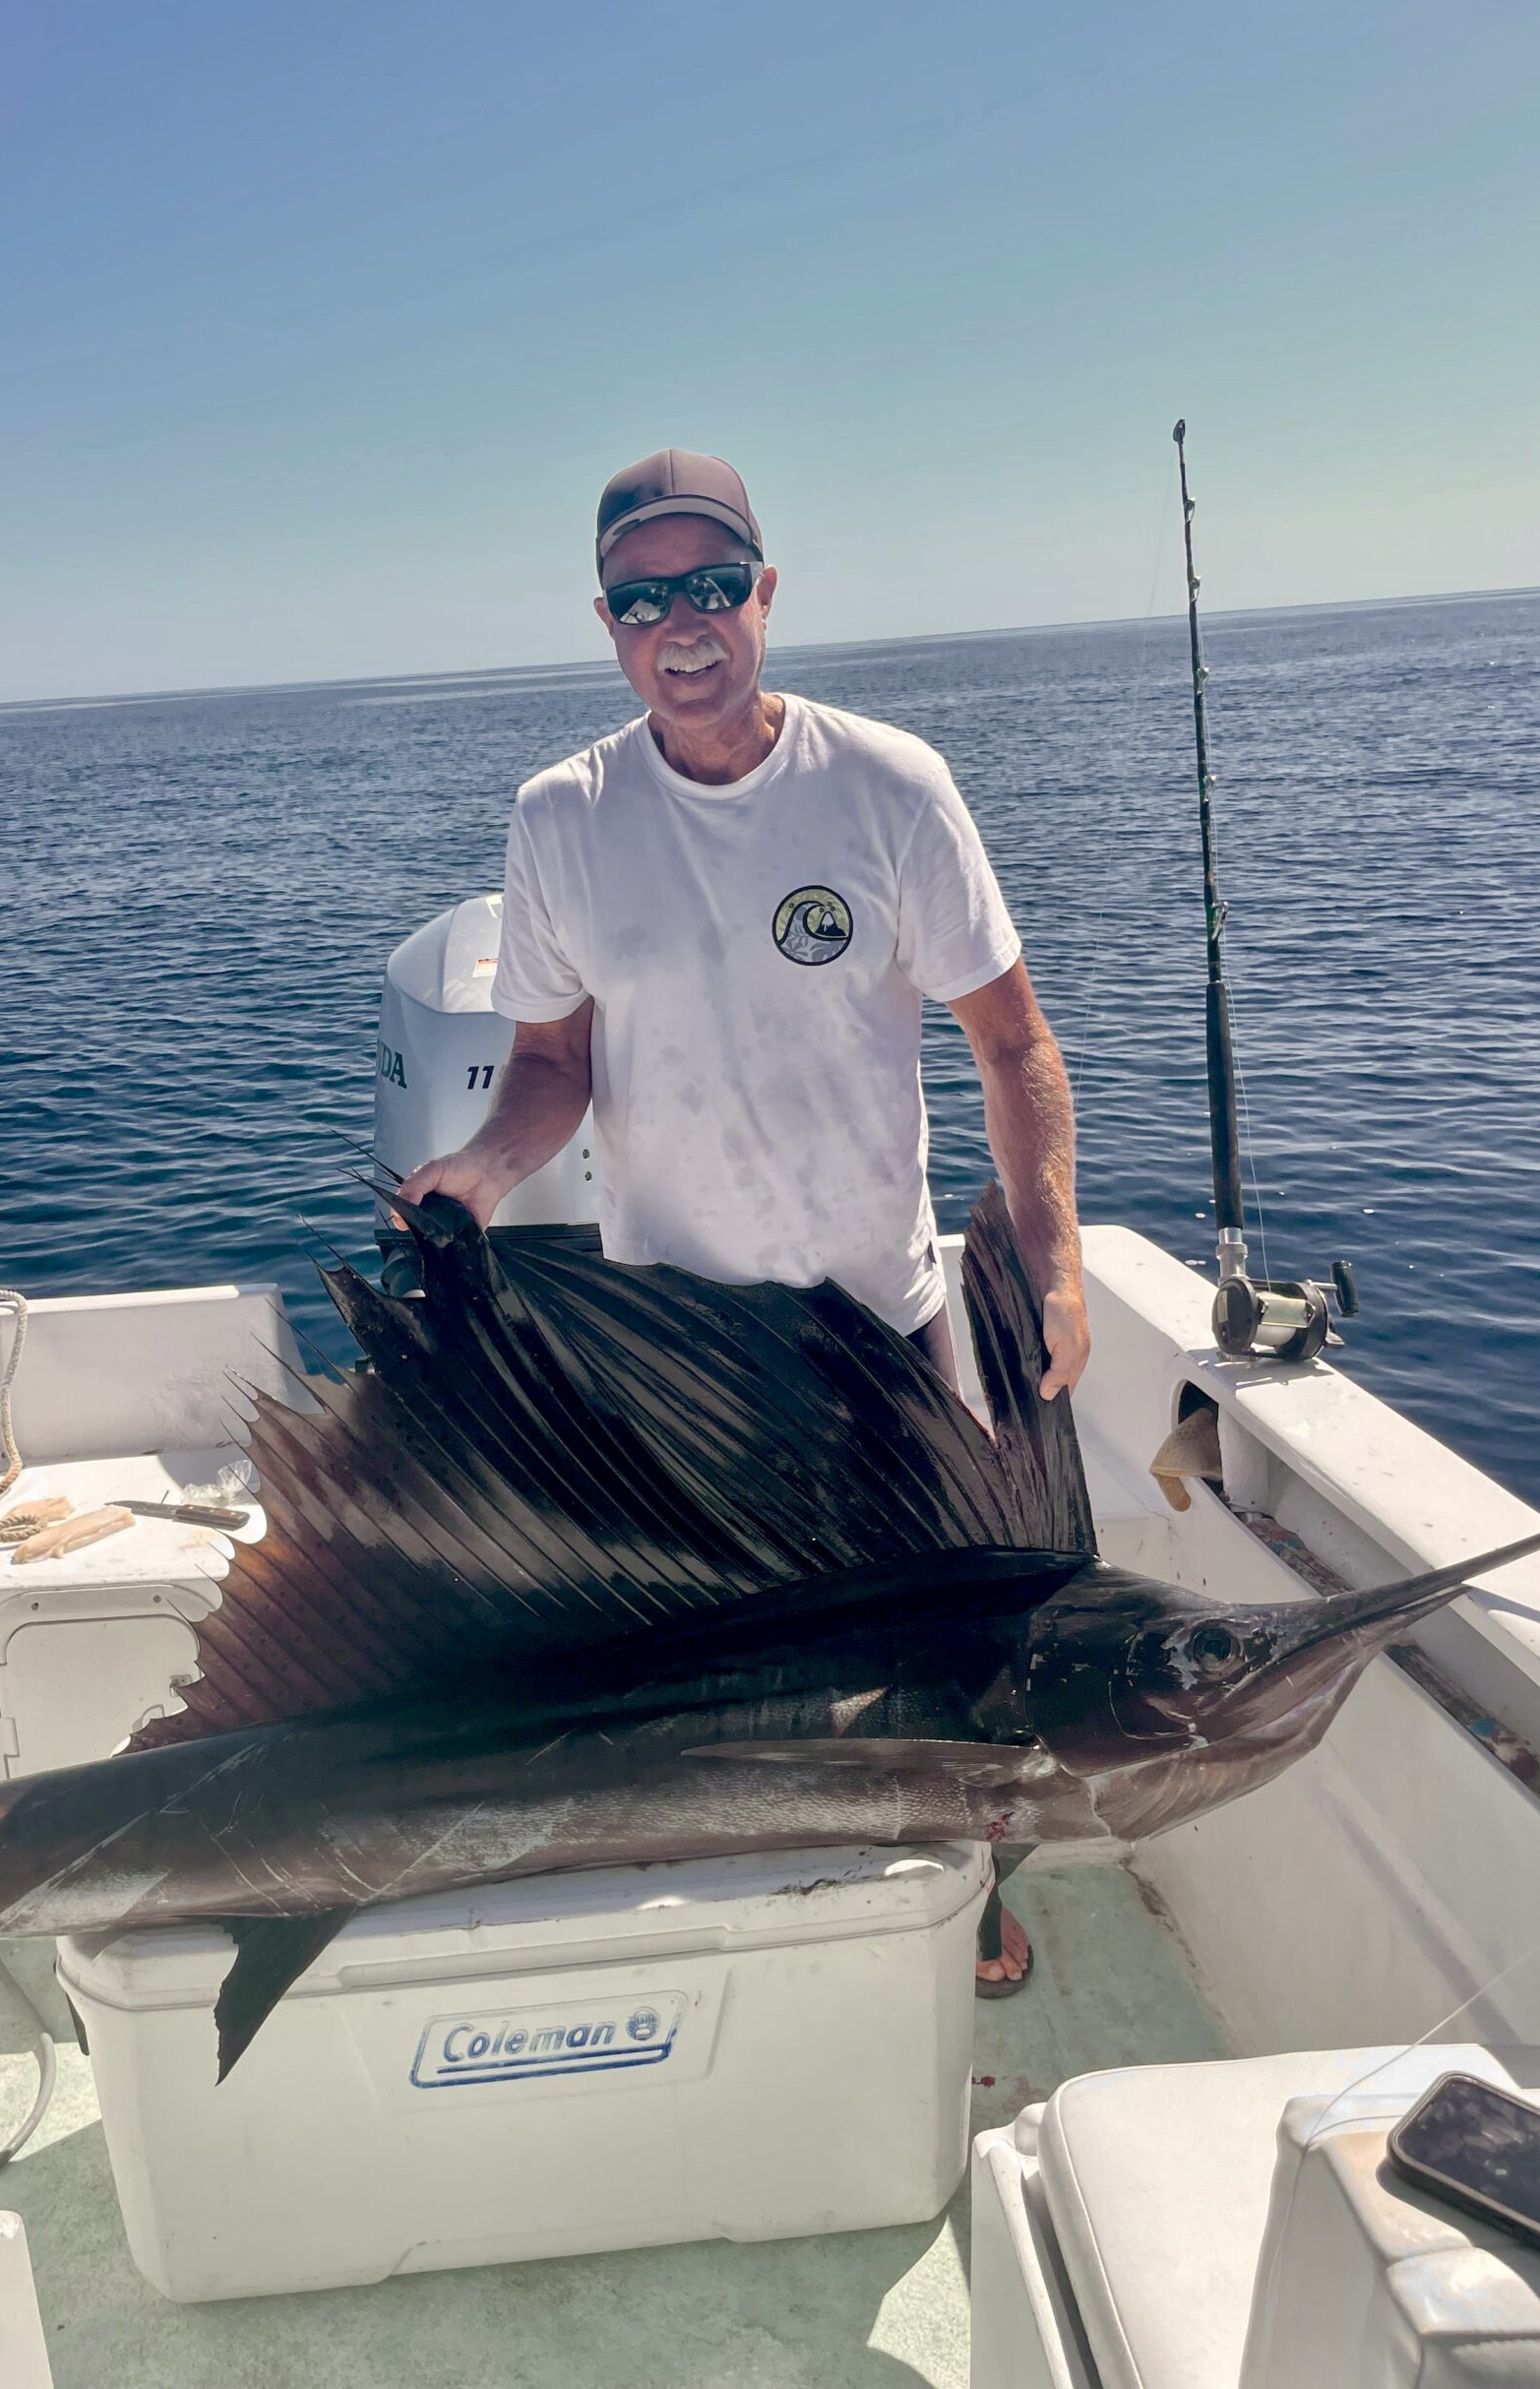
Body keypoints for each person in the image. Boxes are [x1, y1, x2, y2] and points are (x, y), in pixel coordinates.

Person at [400, 449, 1089, 1990]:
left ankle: (970, 1899)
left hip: (883, 1323)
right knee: (715, 1655)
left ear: (766, 593)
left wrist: (1055, 1261)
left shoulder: (889, 785)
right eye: (644, 600)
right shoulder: (562, 816)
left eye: (711, 585)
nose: (682, 623)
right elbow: (552, 1065)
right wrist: (485, 1173)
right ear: (607, 624)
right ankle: (755, 1919)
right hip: (686, 1348)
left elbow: (1013, 1044)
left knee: (950, 1662)